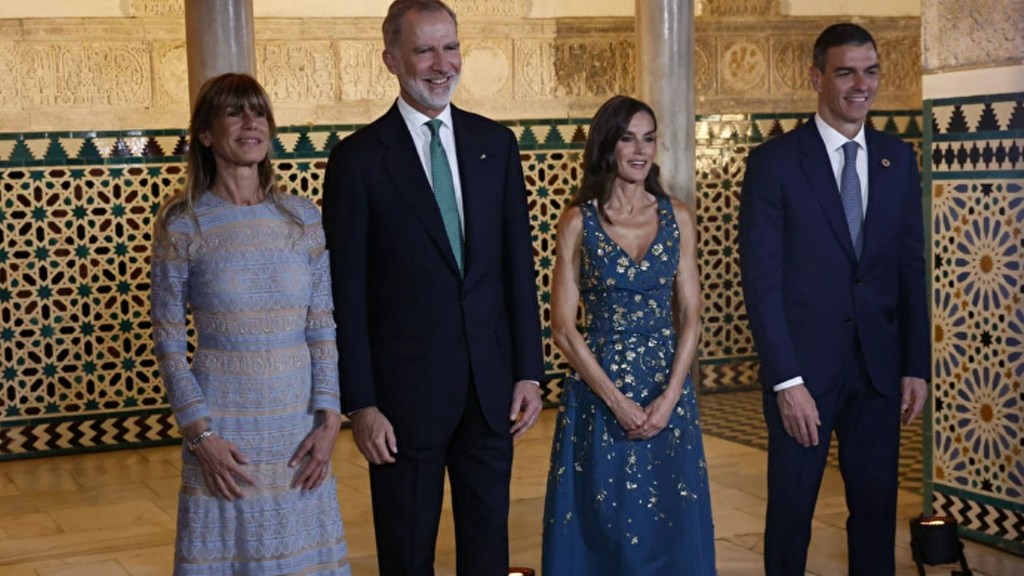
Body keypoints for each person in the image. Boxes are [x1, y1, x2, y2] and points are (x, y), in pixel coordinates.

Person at [320, 1, 545, 574]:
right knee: (407, 554)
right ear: (392, 60)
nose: (441, 63)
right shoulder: (359, 160)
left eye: (450, 47)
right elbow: (345, 292)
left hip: (491, 394)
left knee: (488, 553)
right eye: (424, 49)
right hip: (403, 402)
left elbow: (518, 267)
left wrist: (528, 372)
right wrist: (362, 404)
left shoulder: (497, 144)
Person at [738, 23, 929, 576]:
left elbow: (909, 268)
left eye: (870, 71)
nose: (860, 85)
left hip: (878, 372)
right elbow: (762, 281)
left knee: (875, 513)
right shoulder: (774, 163)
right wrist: (786, 381)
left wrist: (915, 365)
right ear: (816, 77)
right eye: (845, 72)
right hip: (803, 378)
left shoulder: (898, 158)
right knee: (792, 515)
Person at [151, 73, 349, 576]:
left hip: (297, 427)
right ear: (204, 134)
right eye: (235, 113)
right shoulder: (183, 223)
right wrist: (200, 436)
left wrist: (329, 421)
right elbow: (169, 342)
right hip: (224, 431)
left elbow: (323, 327)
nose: (250, 123)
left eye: (258, 112)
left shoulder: (302, 217)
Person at [542, 95, 716, 576]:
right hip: (599, 394)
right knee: (606, 521)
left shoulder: (677, 215)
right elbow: (562, 328)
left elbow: (692, 316)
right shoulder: (578, 221)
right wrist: (617, 402)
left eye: (649, 138)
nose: (640, 150)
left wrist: (671, 396)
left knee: (670, 522)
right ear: (607, 146)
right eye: (627, 139)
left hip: (667, 391)